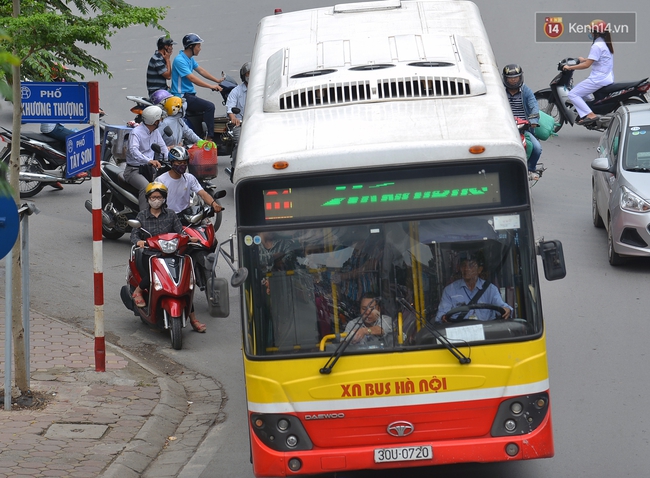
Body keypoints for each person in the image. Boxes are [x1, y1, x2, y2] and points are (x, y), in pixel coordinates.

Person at [130, 182, 206, 333]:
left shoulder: (171, 214)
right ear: (148, 198)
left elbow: (180, 232)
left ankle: (193, 319)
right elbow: (134, 234)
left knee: (184, 285)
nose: (156, 199)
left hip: (171, 254)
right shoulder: (142, 216)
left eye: (159, 197)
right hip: (151, 255)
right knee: (152, 276)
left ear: (164, 199)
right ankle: (138, 291)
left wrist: (189, 239)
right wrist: (139, 241)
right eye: (153, 197)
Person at [170, 33, 224, 141]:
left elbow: (201, 71)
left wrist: (217, 80)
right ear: (191, 47)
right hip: (181, 97)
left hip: (189, 94)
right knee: (209, 106)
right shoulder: (179, 60)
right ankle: (209, 138)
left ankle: (200, 134)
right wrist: (210, 86)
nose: (200, 49)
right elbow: (192, 78)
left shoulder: (189, 58)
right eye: (198, 46)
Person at [435, 252, 512, 322]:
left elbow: (504, 307)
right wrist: (443, 318)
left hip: (487, 333)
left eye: (471, 265)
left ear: (479, 270)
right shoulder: (449, 290)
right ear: (460, 269)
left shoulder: (491, 289)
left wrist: (507, 310)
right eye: (463, 265)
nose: (466, 269)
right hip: (459, 333)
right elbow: (441, 315)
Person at [564, 19, 614, 125]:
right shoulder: (603, 43)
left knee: (573, 94)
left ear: (596, 32)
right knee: (580, 89)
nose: (589, 33)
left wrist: (570, 67)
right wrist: (584, 59)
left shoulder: (597, 46)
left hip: (599, 79)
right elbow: (598, 59)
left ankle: (590, 115)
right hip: (606, 76)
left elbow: (587, 65)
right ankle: (589, 106)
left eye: (591, 31)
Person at [502, 64, 543, 181]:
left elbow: (534, 106)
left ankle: (530, 169)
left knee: (537, 148)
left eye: (516, 77)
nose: (513, 80)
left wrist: (533, 121)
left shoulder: (526, 91)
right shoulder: (500, 91)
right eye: (510, 78)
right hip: (505, 127)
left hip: (523, 128)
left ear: (520, 78)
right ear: (505, 79)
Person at [124, 106, 168, 211]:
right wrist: (148, 160)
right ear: (155, 121)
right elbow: (133, 151)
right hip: (134, 170)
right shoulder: (136, 133)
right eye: (160, 119)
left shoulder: (155, 132)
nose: (161, 121)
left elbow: (163, 147)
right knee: (146, 188)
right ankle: (144, 217)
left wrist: (170, 160)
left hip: (149, 169)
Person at [156, 145, 224, 213]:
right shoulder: (161, 180)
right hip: (168, 216)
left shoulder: (189, 178)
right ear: (171, 162)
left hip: (186, 215)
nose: (182, 165)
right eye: (179, 163)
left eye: (184, 163)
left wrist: (214, 204)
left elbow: (203, 193)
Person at [226, 62, 249, 166]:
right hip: (240, 124)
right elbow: (230, 108)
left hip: (257, 123)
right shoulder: (236, 91)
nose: (251, 76)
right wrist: (233, 118)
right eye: (248, 74)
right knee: (240, 143)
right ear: (243, 76)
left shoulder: (260, 90)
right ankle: (235, 167)